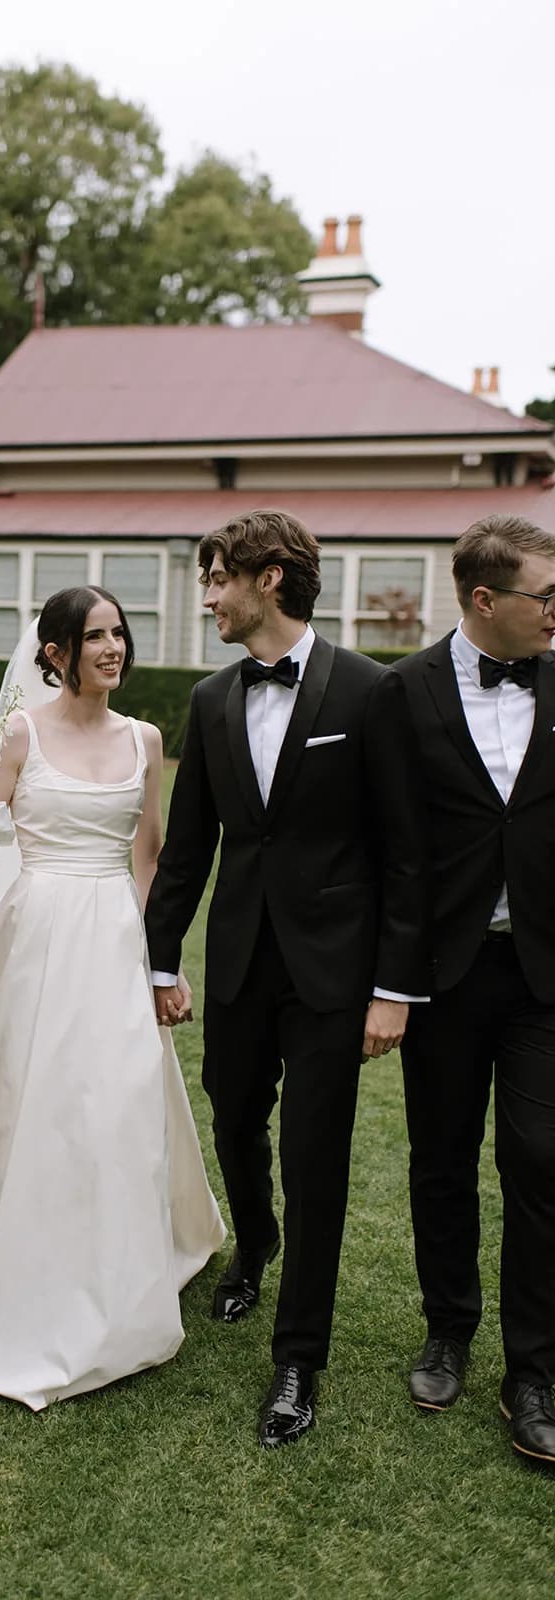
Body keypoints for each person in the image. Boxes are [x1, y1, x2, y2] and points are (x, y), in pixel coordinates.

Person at [144, 511, 429, 1447]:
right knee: (232, 1114)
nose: (208, 596)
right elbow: (187, 851)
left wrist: (392, 988)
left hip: (332, 974)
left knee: (316, 1156)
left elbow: (404, 852)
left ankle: (297, 1357)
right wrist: (157, 957)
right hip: (236, 963)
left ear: (269, 578)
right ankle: (253, 1243)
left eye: (217, 578)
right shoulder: (211, 698)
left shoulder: (369, 691)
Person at [0, 587, 225, 1410]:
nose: (112, 648)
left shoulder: (145, 738)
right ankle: (8, 1272)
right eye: (94, 637)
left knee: (115, 1102)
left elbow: (150, 860)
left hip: (115, 939)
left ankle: (116, 1275)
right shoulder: (18, 733)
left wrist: (164, 964)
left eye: (119, 634)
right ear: (54, 652)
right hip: (34, 935)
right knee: (26, 1102)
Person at [396, 514, 555, 1465]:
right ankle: (448, 1328)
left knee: (540, 1160)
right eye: (545, 596)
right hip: (443, 973)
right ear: (485, 600)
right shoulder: (402, 693)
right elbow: (385, 842)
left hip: (544, 974)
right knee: (440, 1158)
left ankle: (533, 1370)